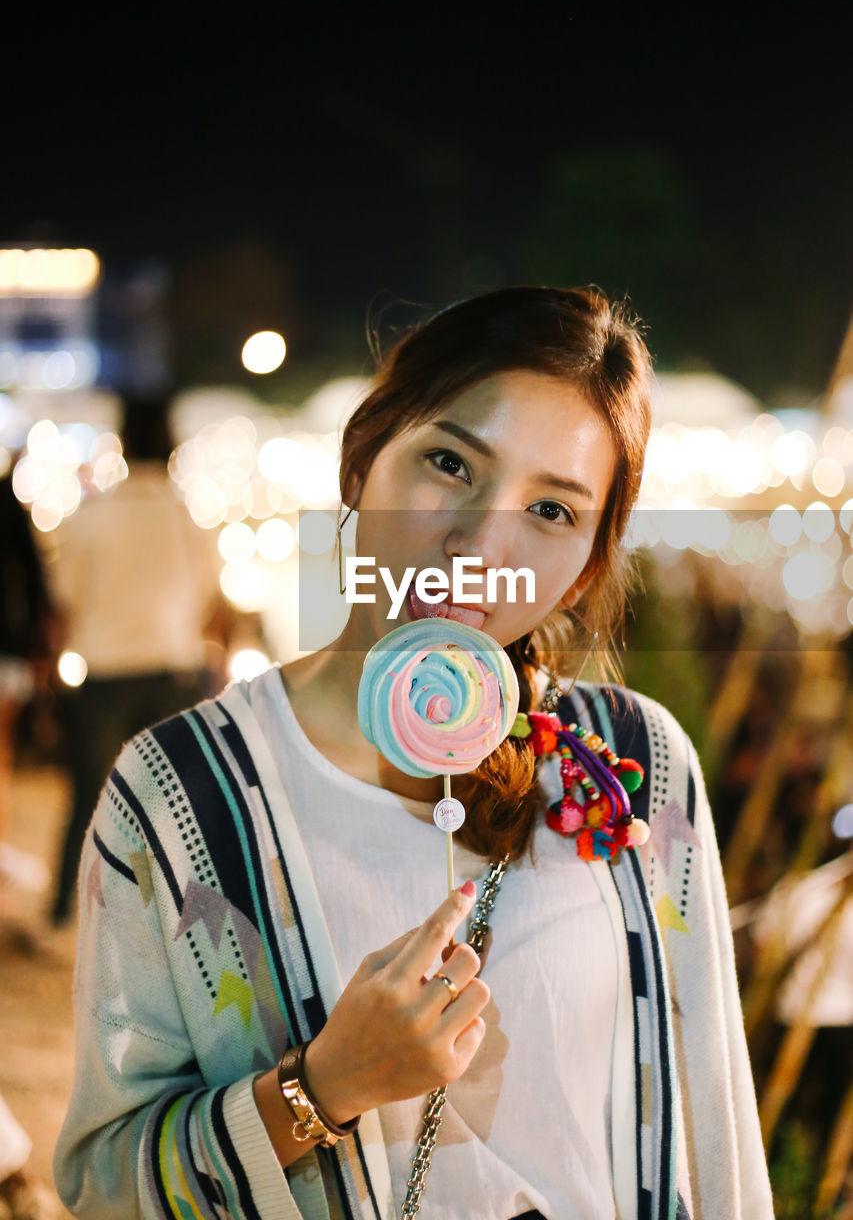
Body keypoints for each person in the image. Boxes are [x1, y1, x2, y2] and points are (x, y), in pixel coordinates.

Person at [54, 287, 775, 1219]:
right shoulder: (178, 795)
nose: (479, 544)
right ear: (361, 460)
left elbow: (714, 1143)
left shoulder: (633, 768)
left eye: (551, 512)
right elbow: (101, 1180)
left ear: (588, 564)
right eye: (449, 462)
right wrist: (321, 1088)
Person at [46, 396, 224, 925]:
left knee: (91, 796)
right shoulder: (187, 516)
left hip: (102, 670)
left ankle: (65, 910)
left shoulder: (92, 515)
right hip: (173, 668)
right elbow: (210, 588)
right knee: (172, 806)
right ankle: (169, 919)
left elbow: (65, 591)